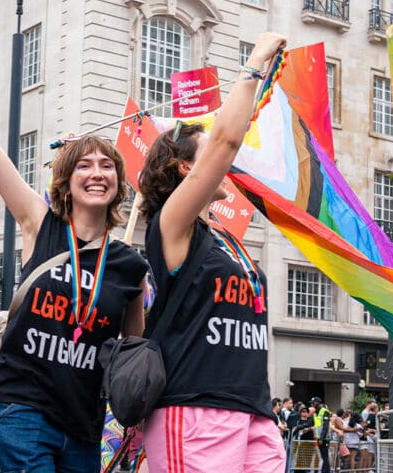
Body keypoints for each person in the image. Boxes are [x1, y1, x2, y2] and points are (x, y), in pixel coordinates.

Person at [0, 44, 148, 472]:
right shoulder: (41, 224)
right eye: (84, 166)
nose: (96, 173)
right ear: (66, 179)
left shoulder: (130, 267)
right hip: (20, 408)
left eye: (106, 166)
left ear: (119, 180)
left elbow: (130, 354)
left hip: (83, 423)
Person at [136, 32, 288, 473]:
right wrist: (255, 63)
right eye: (209, 158)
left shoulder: (225, 236)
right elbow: (225, 142)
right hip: (195, 409)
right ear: (187, 167)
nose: (228, 166)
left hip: (253, 411)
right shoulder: (173, 224)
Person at [309, 397, 331, 473]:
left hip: (324, 439)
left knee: (325, 457)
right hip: (319, 438)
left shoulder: (325, 412)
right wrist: (299, 427)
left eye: (313, 402)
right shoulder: (315, 413)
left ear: (317, 403)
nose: (312, 404)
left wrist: (321, 438)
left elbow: (325, 427)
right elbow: (314, 424)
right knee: (323, 457)